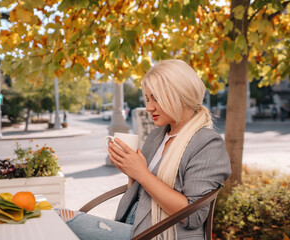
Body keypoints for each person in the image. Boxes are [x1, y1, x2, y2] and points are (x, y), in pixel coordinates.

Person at [55, 59, 232, 240]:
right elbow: (141, 190)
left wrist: (140, 173)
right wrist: (130, 170)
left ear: (181, 95)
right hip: (136, 226)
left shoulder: (208, 144)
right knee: (51, 217)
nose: (149, 107)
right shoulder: (157, 136)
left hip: (159, 234)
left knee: (57, 218)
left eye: (156, 98)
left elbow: (192, 215)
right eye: (147, 99)